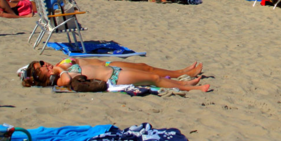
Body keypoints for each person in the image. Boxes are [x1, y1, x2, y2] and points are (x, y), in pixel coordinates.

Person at [20, 58, 209, 92]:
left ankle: (182, 73)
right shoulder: (59, 76)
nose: (46, 64)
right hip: (110, 75)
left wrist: (66, 63)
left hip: (108, 65)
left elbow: (77, 60)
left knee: (146, 68)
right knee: (152, 78)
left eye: (43, 62)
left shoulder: (60, 67)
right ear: (42, 75)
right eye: (42, 66)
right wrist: (61, 69)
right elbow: (69, 79)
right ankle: (189, 85)